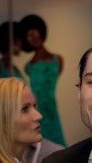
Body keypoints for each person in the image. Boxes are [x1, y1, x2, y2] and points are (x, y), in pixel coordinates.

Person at [19, 14, 65, 146]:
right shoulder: (28, 67)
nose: (33, 37)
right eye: (29, 35)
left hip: (52, 110)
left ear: (41, 31)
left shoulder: (58, 60)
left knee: (57, 144)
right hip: (37, 110)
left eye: (35, 32)